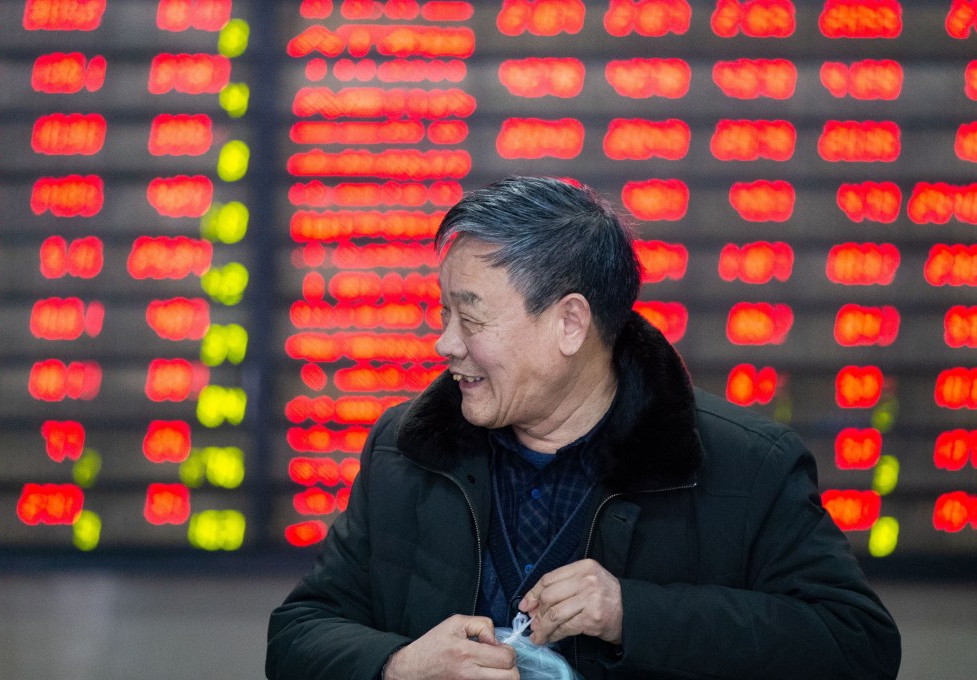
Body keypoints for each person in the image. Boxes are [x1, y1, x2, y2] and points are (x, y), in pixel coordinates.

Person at [266, 176, 901, 679]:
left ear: (570, 323)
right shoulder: (405, 450)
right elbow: (298, 634)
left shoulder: (744, 465)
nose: (444, 344)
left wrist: (633, 614)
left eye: (472, 318)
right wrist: (399, 667)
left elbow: (858, 646)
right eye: (443, 313)